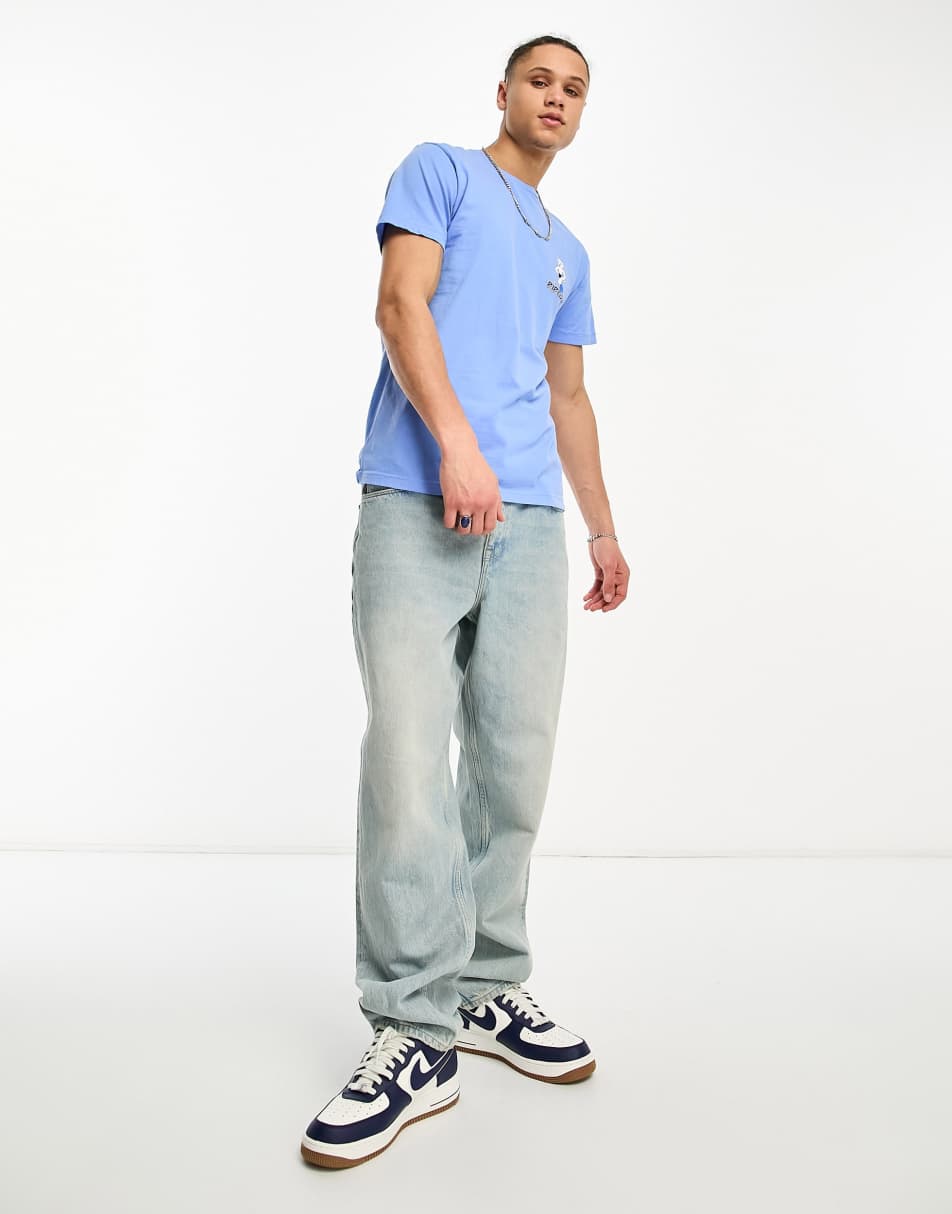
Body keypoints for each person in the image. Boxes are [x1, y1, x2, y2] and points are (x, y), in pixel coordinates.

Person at [301, 33, 630, 1170]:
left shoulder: (568, 250)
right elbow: (401, 305)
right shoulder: (439, 171)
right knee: (407, 755)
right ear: (503, 92)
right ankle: (411, 1023)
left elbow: (569, 396)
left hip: (530, 525)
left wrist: (600, 528)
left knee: (512, 762)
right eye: (540, 79)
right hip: (418, 496)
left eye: (575, 88)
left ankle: (487, 985)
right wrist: (456, 445)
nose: (557, 97)